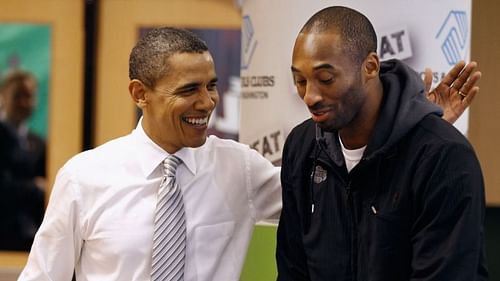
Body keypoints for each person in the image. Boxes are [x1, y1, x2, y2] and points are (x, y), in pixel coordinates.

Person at [19, 26, 479, 280]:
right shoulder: (83, 177)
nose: (208, 102)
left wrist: (410, 125)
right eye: (189, 90)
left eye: (213, 85)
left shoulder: (240, 167)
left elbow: (349, 195)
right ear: (140, 92)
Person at [276, 6, 487, 281]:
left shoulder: (444, 156)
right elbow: (293, 270)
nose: (310, 96)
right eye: (300, 81)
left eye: (325, 79)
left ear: (370, 67)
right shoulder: (301, 147)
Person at [0, 70, 46, 251]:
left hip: (31, 240)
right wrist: (35, 187)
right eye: (17, 96)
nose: (23, 103)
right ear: (3, 96)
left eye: (29, 96)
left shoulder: (39, 143)